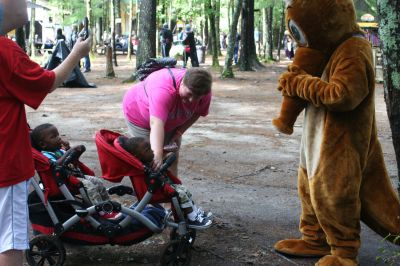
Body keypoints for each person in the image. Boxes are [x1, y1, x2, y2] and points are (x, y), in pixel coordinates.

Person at [0, 0, 91, 263]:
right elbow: (47, 83)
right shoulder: (5, 50)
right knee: (10, 242)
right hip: (5, 165)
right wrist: (77, 53)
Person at [122, 67, 212, 177]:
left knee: (171, 157)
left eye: (197, 97)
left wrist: (179, 132)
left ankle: (173, 190)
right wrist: (157, 154)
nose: (192, 100)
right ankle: (148, 192)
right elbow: (156, 124)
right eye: (189, 94)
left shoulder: (203, 91)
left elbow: (197, 112)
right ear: (182, 83)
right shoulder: (163, 90)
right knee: (149, 160)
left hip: (169, 121)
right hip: (138, 114)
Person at [118, 136, 212, 227]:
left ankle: (195, 213)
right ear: (136, 156)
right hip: (158, 191)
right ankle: (193, 218)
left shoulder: (145, 161)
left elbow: (156, 162)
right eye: (148, 150)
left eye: (151, 148)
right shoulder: (142, 168)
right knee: (181, 193)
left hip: (164, 187)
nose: (152, 151)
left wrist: (165, 152)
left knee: (184, 190)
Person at [30, 124, 110, 206]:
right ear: (43, 144)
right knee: (89, 186)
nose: (59, 138)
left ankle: (108, 205)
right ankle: (100, 209)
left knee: (97, 182)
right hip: (65, 181)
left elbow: (71, 159)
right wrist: (69, 151)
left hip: (76, 175)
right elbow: (56, 165)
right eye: (54, 137)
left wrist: (69, 148)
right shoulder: (45, 155)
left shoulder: (60, 150)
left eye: (58, 135)